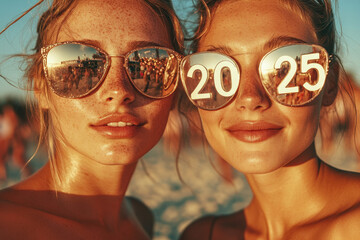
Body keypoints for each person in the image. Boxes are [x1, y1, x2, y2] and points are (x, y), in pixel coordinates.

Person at [0, 0, 183, 239]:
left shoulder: (141, 218)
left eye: (150, 62)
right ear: (41, 88)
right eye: (79, 61)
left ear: (177, 86)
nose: (118, 90)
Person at [179, 0, 360, 239]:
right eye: (220, 71)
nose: (249, 98)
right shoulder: (201, 235)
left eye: (284, 68)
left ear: (329, 83)